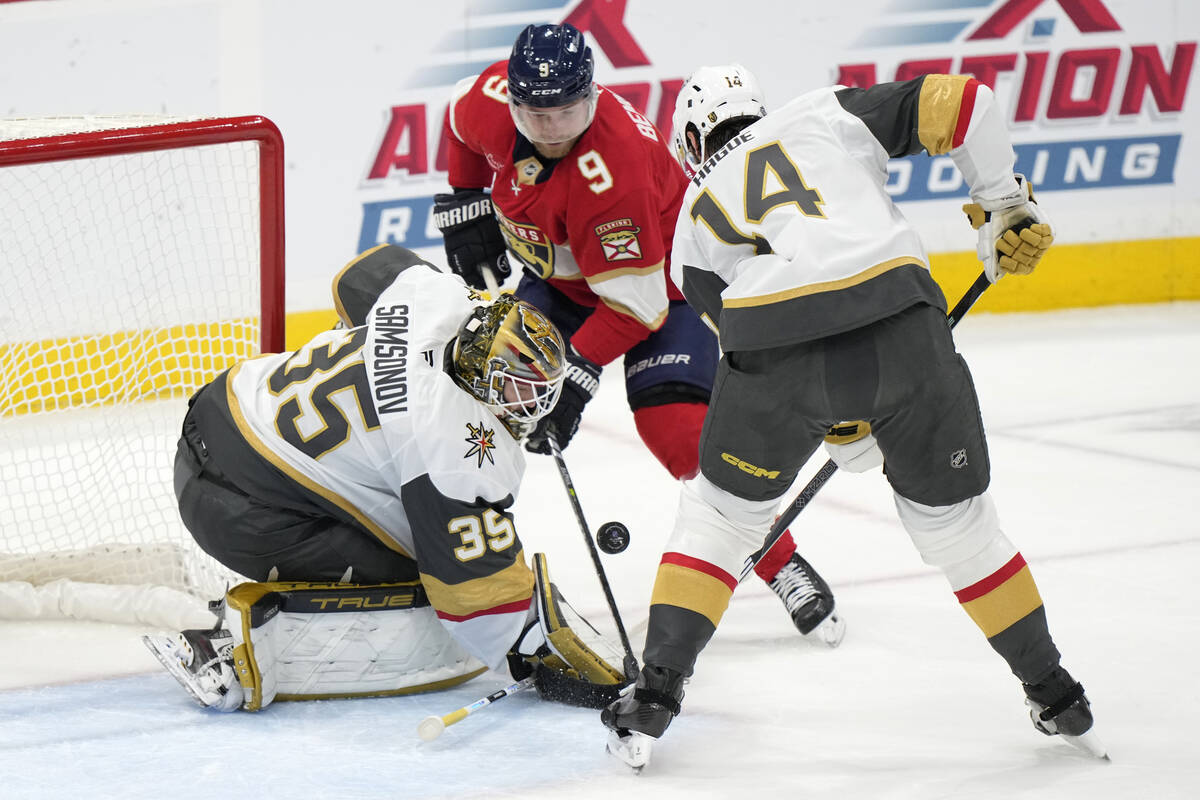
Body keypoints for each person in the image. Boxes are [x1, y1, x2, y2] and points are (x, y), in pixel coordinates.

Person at [602, 64, 1103, 767]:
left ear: (690, 141)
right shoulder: (821, 113)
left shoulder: (689, 227)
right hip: (904, 323)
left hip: (777, 351)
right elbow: (967, 103)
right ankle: (1055, 693)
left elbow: (749, 348)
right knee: (961, 532)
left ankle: (655, 695)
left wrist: (840, 422)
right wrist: (1003, 204)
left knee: (720, 520)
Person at [433, 22, 844, 646]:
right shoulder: (492, 105)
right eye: (534, 114)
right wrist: (463, 198)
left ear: (592, 95)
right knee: (475, 404)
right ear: (512, 100)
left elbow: (636, 308)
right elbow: (460, 121)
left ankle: (782, 562)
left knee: (677, 435)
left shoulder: (612, 171)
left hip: (667, 286)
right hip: (564, 281)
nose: (549, 129)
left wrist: (573, 373)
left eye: (566, 111)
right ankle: (461, 568)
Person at [143, 244, 628, 712]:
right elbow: (475, 597)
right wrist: (539, 654)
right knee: (424, 565)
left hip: (220, 405)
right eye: (517, 390)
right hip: (234, 510)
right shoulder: (454, 444)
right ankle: (235, 646)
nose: (531, 405)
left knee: (403, 501)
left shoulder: (435, 297)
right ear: (481, 381)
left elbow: (357, 275)